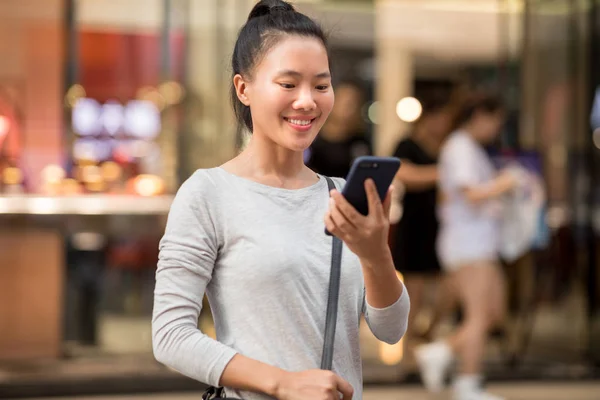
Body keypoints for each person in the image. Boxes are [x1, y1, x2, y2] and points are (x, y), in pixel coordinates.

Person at [151, 2, 410, 400]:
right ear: (244, 88)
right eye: (288, 84)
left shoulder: (340, 195)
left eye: (321, 85)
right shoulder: (209, 193)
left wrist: (376, 255)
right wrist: (283, 382)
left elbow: (390, 330)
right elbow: (170, 335)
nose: (307, 101)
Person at [414, 93, 515, 400]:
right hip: (468, 244)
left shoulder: (469, 148)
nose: (496, 128)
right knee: (479, 314)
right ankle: (468, 382)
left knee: (494, 311)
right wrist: (505, 183)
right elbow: (470, 194)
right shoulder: (459, 147)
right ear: (480, 116)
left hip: (480, 243)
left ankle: (440, 351)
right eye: (494, 120)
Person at [391, 93, 455, 344]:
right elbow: (404, 173)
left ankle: (427, 339)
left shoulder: (449, 148)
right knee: (414, 294)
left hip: (442, 226)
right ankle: (408, 353)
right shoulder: (407, 144)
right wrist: (442, 174)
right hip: (415, 226)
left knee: (445, 292)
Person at [305, 80, 371, 178]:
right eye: (345, 103)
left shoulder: (360, 142)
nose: (349, 109)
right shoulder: (313, 140)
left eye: (354, 104)